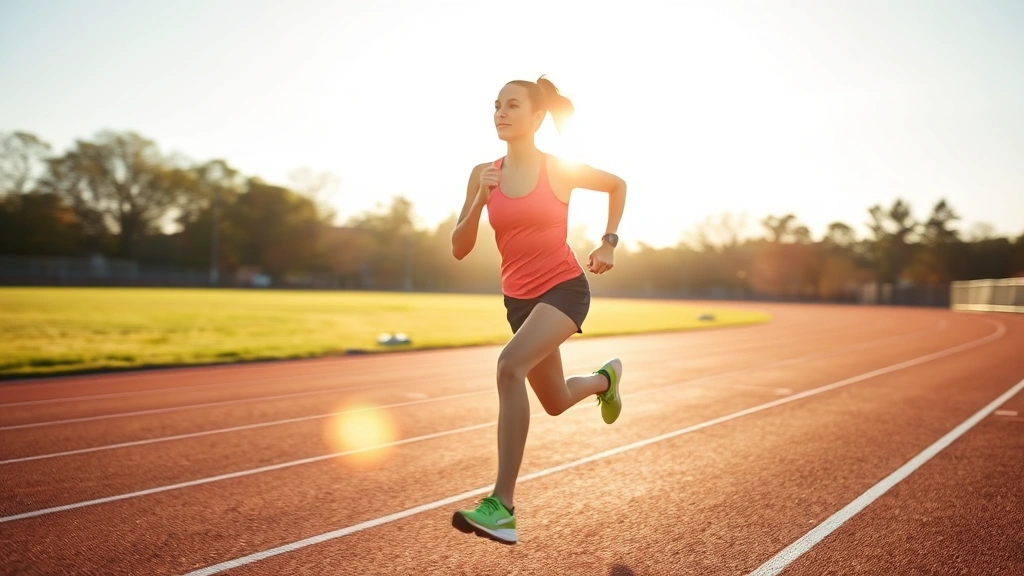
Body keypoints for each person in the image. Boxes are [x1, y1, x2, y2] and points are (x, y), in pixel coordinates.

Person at [449, 75, 627, 544]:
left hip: (564, 289)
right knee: (555, 401)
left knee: (509, 366)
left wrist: (608, 242)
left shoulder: (558, 169)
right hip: (519, 301)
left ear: (537, 116)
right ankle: (605, 380)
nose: (501, 112)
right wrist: (479, 199)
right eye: (496, 105)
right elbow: (460, 249)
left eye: (512, 105)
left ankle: (502, 506)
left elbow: (617, 184)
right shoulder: (483, 172)